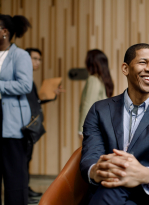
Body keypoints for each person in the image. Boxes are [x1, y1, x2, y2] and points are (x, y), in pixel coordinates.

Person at [80, 43, 149, 205]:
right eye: (143, 62)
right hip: (108, 184)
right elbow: (91, 155)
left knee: (114, 186)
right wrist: (95, 171)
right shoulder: (99, 110)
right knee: (115, 184)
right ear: (125, 68)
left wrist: (143, 174)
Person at [25, 48, 65, 204]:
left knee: (26, 159)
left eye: (39, 59)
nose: (38, 62)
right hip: (24, 128)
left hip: (29, 128)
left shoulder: (29, 78)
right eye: (34, 58)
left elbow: (35, 102)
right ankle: (24, 191)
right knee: (22, 160)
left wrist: (51, 95)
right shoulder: (24, 78)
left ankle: (25, 189)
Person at [0, 14, 32, 205]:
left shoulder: (19, 55)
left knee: (14, 177)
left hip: (10, 123)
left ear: (5, 32)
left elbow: (25, 85)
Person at [78, 49, 114, 139]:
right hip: (102, 125)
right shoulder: (105, 80)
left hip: (93, 127)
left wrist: (82, 129)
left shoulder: (93, 80)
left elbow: (88, 105)